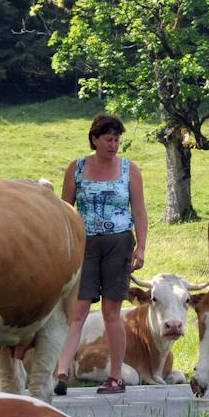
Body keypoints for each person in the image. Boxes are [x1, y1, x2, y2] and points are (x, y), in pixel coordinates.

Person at [53, 114, 148, 396]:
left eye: (117, 139)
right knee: (78, 310)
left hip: (119, 244)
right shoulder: (77, 169)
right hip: (85, 245)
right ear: (94, 139)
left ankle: (116, 377)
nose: (114, 145)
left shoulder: (130, 170)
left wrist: (140, 247)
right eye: (108, 139)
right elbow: (65, 210)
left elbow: (139, 212)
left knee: (111, 312)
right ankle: (61, 372)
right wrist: (64, 249)